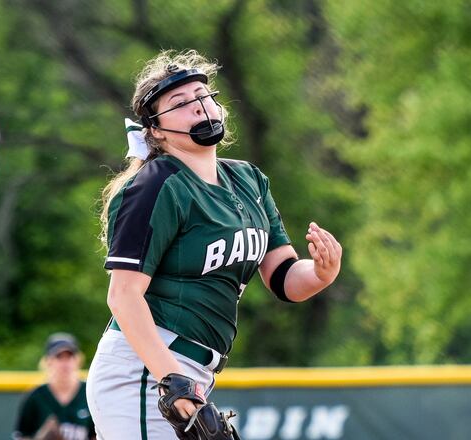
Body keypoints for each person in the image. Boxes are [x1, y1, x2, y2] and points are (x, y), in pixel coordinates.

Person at [86, 49, 343, 440]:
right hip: (144, 372)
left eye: (204, 96)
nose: (199, 106)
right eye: (181, 102)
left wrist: (322, 273)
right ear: (154, 129)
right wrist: (171, 380)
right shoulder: (156, 185)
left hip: (191, 375)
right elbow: (123, 296)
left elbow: (285, 279)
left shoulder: (248, 181)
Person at [14, 333, 96, 440]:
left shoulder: (89, 393)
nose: (65, 363)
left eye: (70, 356)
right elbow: (22, 435)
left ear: (78, 360)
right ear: (48, 361)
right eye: (59, 357)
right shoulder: (36, 396)